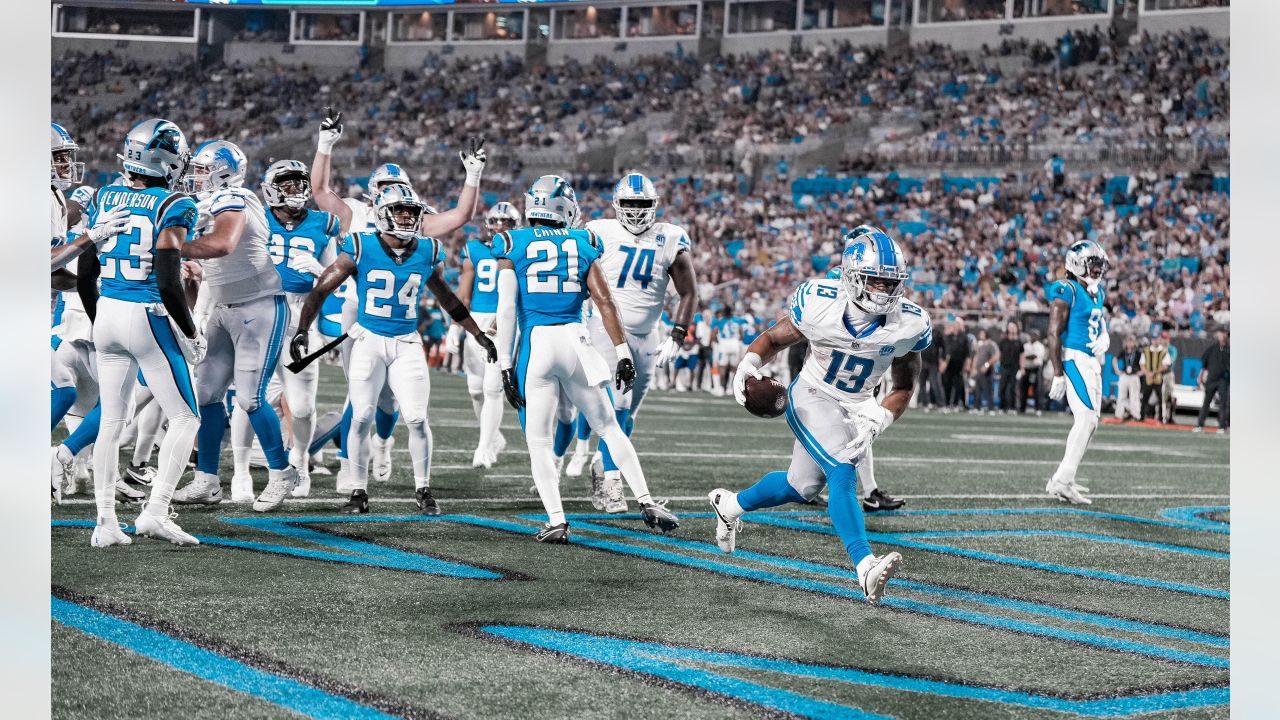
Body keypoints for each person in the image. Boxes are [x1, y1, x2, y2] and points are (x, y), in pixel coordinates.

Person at [708, 225, 929, 604]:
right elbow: (775, 339)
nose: (883, 291)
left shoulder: (909, 323)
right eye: (874, 281)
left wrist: (882, 416)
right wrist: (748, 363)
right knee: (842, 469)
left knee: (802, 486)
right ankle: (865, 567)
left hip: (858, 402)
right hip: (812, 392)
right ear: (852, 277)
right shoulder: (819, 300)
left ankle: (729, 506)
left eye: (889, 283)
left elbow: (904, 387)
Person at [492, 174, 678, 544]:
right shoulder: (584, 240)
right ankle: (645, 500)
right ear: (566, 208)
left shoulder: (512, 241)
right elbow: (605, 301)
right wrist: (623, 352)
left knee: (539, 441)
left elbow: (507, 310)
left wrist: (505, 365)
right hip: (578, 342)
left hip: (537, 343)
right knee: (609, 426)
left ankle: (558, 520)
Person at [291, 184, 495, 514]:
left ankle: (423, 488)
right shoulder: (361, 245)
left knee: (416, 417)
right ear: (382, 214)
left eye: (412, 213)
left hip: (406, 343)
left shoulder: (428, 250)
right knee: (360, 417)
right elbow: (322, 289)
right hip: (368, 341)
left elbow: (447, 298)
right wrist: (302, 329)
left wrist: (477, 333)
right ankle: (358, 491)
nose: (407, 218)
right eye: (400, 211)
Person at [73, 118, 205, 547]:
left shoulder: (102, 195)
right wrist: (190, 331)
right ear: (167, 161)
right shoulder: (174, 204)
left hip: (107, 309)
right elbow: (168, 280)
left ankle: (106, 522)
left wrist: (101, 320)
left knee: (112, 421)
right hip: (147, 313)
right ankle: (154, 511)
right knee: (186, 417)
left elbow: (85, 273)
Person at [171, 140, 297, 512]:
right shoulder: (209, 201)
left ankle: (281, 472)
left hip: (260, 308)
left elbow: (223, 243)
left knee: (251, 398)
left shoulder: (235, 197)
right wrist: (196, 271)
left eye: (200, 169)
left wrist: (171, 247)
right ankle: (208, 479)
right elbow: (218, 261)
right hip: (225, 308)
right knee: (207, 395)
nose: (194, 176)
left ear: (222, 171)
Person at [582, 172, 699, 513]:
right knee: (617, 404)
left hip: (650, 334)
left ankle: (602, 464)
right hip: (606, 329)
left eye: (642, 204)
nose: (635, 211)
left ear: (654, 205)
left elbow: (689, 292)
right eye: (630, 203)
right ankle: (612, 484)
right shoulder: (598, 231)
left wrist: (678, 333)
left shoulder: (670, 236)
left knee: (628, 414)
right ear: (617, 205)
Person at [226, 159, 341, 501]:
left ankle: (300, 462)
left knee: (303, 407)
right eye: (287, 183)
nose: (296, 190)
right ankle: (241, 473)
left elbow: (335, 280)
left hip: (301, 318)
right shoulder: (253, 218)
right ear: (272, 188)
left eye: (299, 183)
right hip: (258, 311)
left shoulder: (324, 224)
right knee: (248, 398)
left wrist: (321, 271)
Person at [450, 201, 519, 468]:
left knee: (492, 388)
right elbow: (464, 294)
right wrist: (456, 325)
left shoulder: (520, 250)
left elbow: (518, 296)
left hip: (502, 319)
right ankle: (494, 437)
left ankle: (484, 447)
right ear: (487, 224)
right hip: (475, 320)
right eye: (496, 222)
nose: (500, 227)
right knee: (475, 389)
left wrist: (503, 323)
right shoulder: (475, 250)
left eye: (507, 223)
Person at [1044, 241, 1111, 505]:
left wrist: (1105, 339)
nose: (1097, 269)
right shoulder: (1067, 289)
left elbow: (1100, 323)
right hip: (1075, 359)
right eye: (1093, 264)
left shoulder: (1097, 292)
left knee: (1091, 421)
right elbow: (1053, 333)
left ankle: (1064, 478)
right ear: (1077, 264)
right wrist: (1058, 372)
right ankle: (1062, 480)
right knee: (1085, 418)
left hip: (1093, 361)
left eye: (1099, 264)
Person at [1194, 328, 1229, 433]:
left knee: (1223, 404)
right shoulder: (1212, 348)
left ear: (1226, 335)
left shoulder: (1230, 349)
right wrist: (1200, 376)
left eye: (1223, 333)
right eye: (1220, 333)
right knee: (1206, 402)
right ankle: (1200, 425)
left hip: (1224, 380)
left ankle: (1222, 426)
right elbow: (1204, 364)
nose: (1221, 335)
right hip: (1211, 379)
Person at [1140, 332, 1173, 423]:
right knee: (1145, 398)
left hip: (1158, 378)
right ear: (1151, 340)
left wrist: (1153, 372)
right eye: (1154, 340)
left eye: (1157, 339)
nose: (1155, 341)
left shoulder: (1163, 351)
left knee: (1160, 399)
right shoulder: (1146, 350)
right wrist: (1147, 373)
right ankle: (1141, 416)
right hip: (1148, 378)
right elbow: (1142, 364)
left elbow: (1166, 365)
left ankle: (1161, 418)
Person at [939, 319, 971, 412]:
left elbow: (967, 353)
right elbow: (944, 352)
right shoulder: (948, 336)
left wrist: (967, 364)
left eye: (958, 324)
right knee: (947, 384)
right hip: (948, 364)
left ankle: (957, 404)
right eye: (955, 323)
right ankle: (947, 404)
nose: (956, 325)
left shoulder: (964, 337)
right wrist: (942, 363)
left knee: (959, 385)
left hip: (959, 364)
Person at [1112, 335, 1142, 421]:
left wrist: (1142, 372)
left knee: (1134, 396)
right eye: (1128, 341)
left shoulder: (1137, 352)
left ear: (1134, 342)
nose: (1130, 343)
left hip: (1134, 376)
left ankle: (1135, 415)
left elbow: (1144, 362)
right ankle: (1119, 414)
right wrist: (1117, 370)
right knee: (1121, 395)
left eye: (1131, 341)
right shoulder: (1123, 352)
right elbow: (1115, 359)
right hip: (1124, 375)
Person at [997, 321, 1023, 413]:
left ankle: (1012, 407)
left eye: (1013, 327)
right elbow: (999, 355)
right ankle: (1002, 407)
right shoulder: (1003, 341)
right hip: (1004, 367)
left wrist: (1022, 368)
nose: (1012, 329)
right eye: (1010, 327)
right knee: (1002, 388)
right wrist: (998, 366)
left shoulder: (1019, 342)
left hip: (1015, 368)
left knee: (1012, 388)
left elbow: (1022, 356)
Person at [971, 328, 998, 414]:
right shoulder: (979, 344)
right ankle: (976, 407)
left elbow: (995, 356)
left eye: (982, 333)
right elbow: (976, 357)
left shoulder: (991, 344)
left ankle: (991, 408)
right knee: (977, 389)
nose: (980, 335)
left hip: (988, 371)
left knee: (988, 390)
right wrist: (973, 368)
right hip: (978, 371)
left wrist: (987, 365)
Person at [1020, 329, 1046, 414]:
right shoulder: (1026, 345)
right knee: (1024, 389)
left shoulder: (1040, 346)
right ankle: (1022, 408)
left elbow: (1035, 356)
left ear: (1038, 336)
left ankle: (1038, 408)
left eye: (1034, 335)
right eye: (1031, 335)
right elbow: (1021, 356)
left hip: (1036, 369)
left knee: (1037, 389)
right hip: (1027, 368)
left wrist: (1026, 356)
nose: (1032, 336)